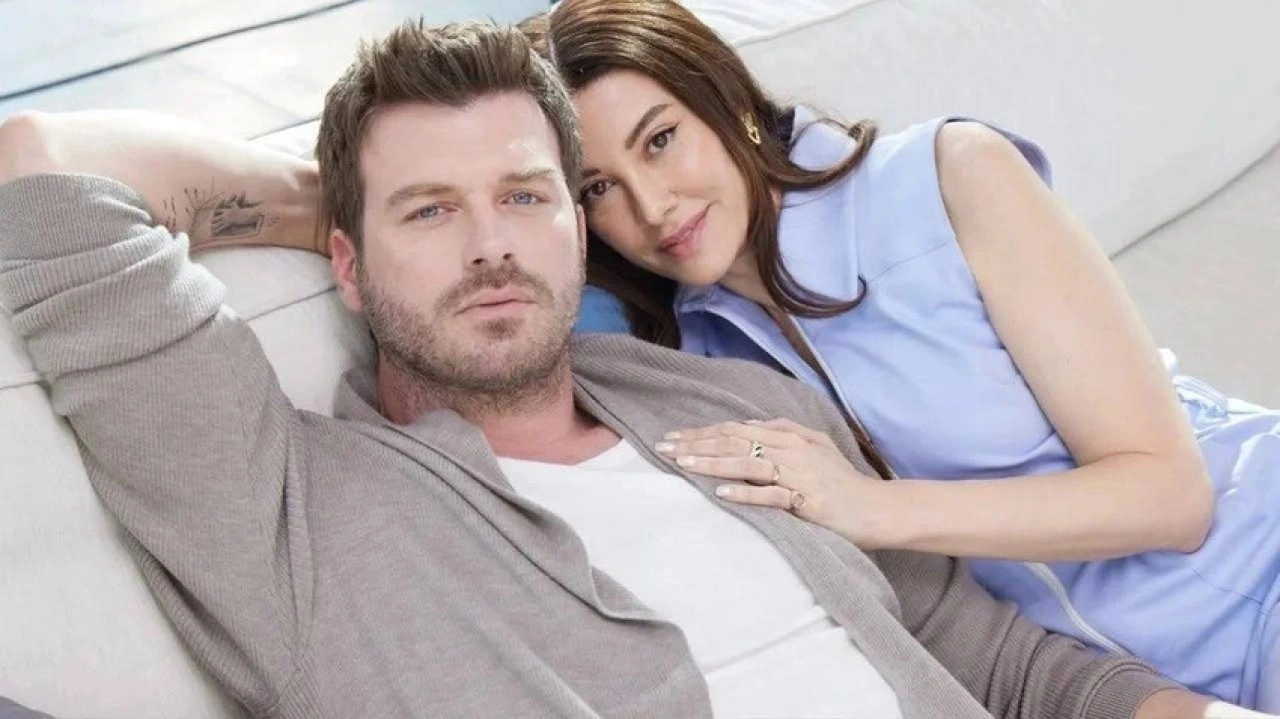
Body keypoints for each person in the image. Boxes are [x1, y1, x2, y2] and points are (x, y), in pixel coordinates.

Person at [0, 17, 1243, 719]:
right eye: (429, 212)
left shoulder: (732, 399)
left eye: (524, 196)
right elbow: (42, 159)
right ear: (346, 259)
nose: (490, 244)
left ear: (574, 226)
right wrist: (333, 191)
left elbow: (1010, 665)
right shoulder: (284, 507)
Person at [516, 0, 1280, 710]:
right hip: (1110, 689)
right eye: (598, 188)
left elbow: (1172, 496)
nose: (652, 206)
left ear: (729, 105)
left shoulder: (951, 177)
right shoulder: (690, 363)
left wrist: (870, 507)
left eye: (661, 140)